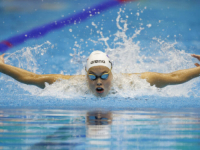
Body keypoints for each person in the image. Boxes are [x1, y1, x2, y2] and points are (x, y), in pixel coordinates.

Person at [0, 51, 200, 97]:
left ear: (112, 73)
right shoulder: (69, 85)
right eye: (92, 75)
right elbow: (32, 78)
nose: (99, 81)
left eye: (104, 75)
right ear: (85, 74)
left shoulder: (134, 83)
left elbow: (173, 78)